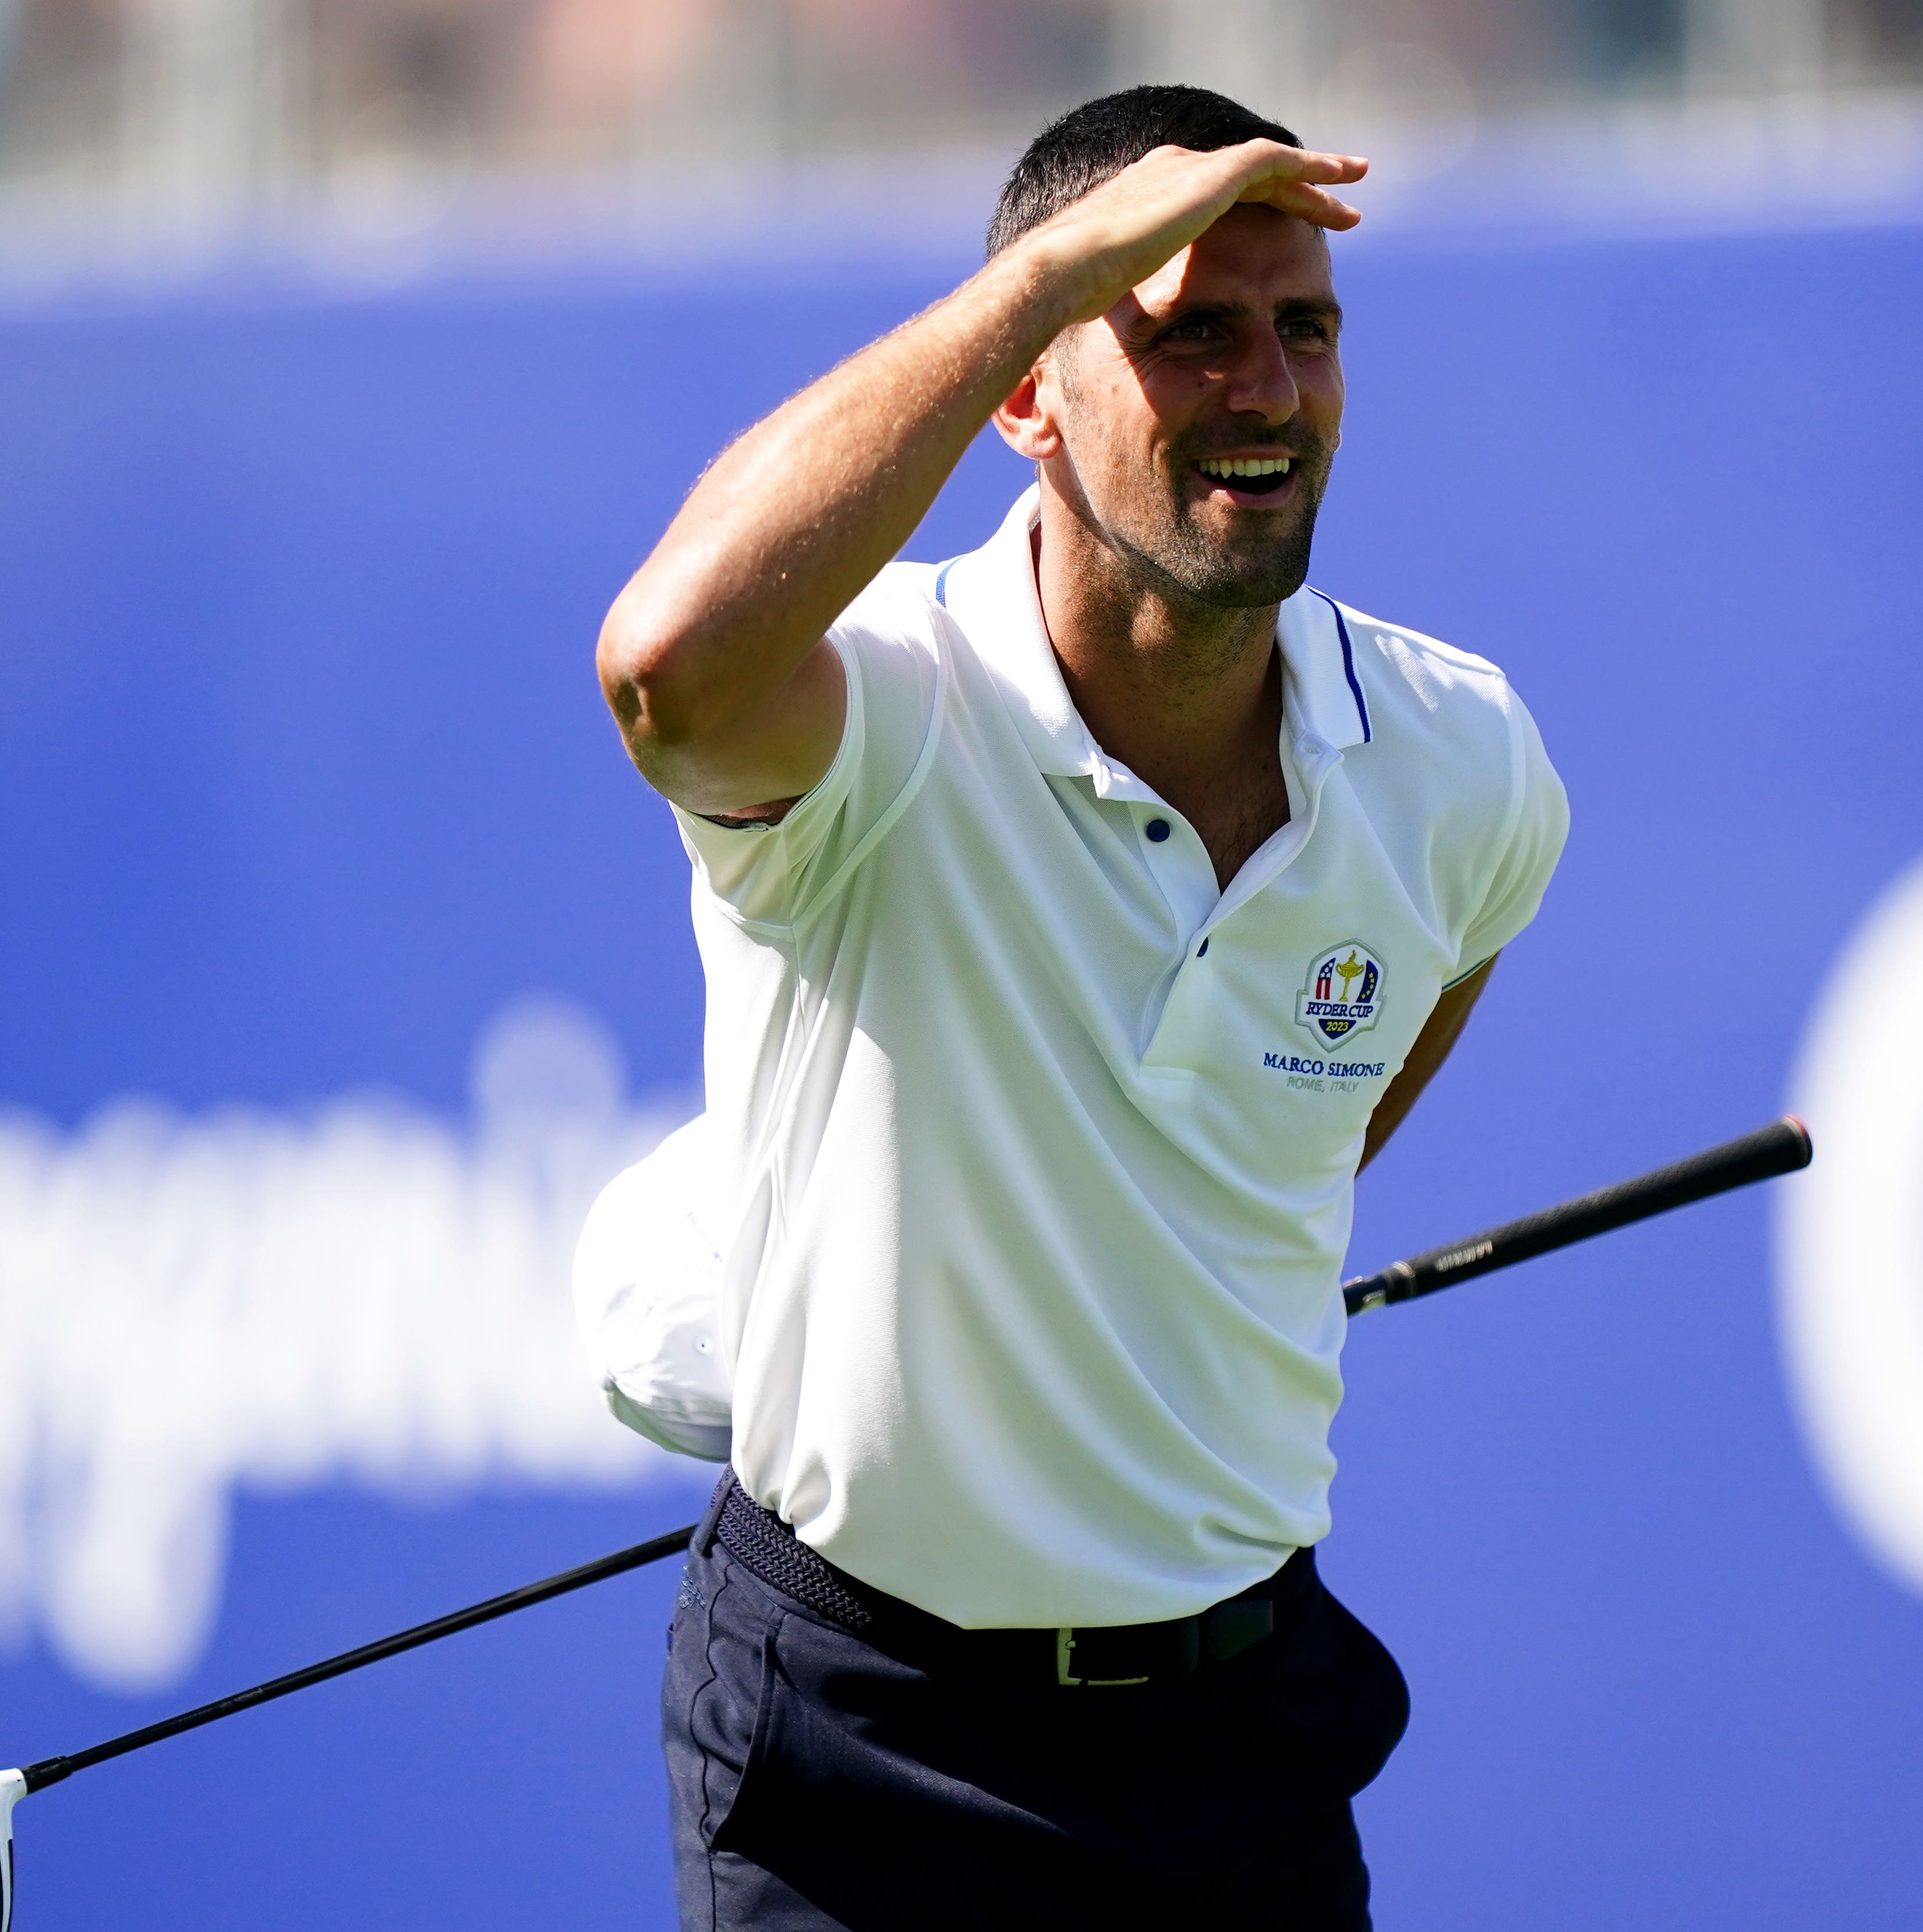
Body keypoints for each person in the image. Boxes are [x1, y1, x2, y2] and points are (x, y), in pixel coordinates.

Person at [572, 83, 1571, 1932]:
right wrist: (1047, 274)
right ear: (1031, 388)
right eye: (1186, 330)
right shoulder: (879, 714)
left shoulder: (1467, 766)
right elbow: (666, 670)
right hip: (861, 1754)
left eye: (1305, 330)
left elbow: (1313, 1135)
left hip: (1249, 1746)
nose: (1266, 390)